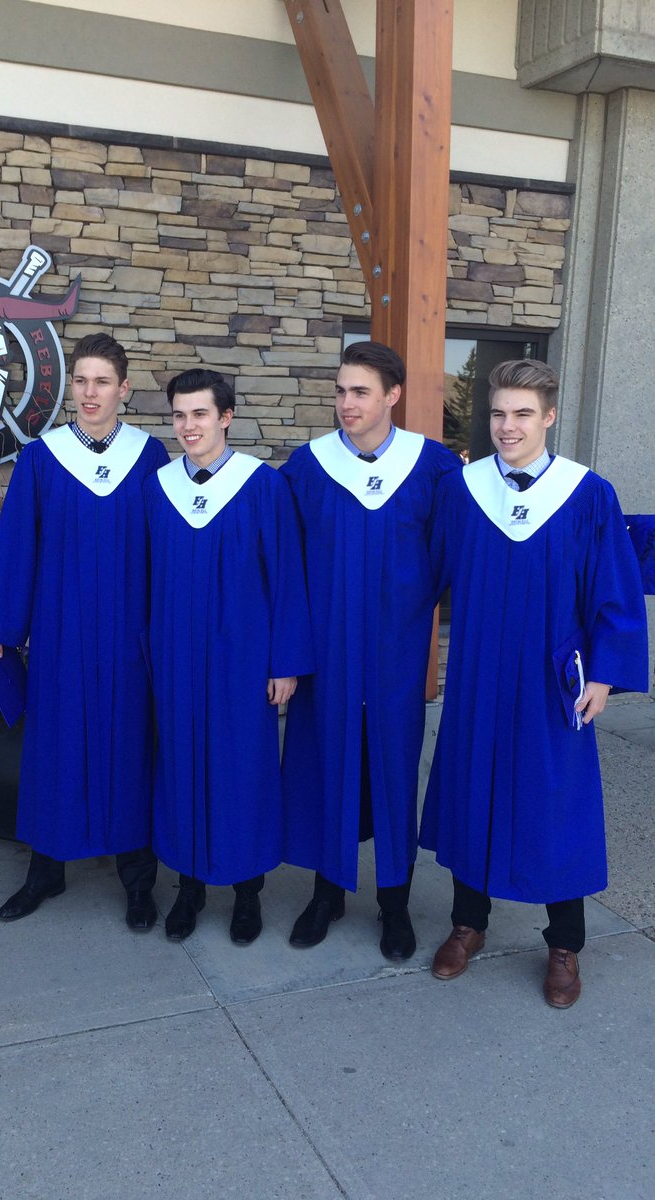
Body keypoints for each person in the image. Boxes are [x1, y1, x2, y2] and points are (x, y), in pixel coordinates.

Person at [420, 359, 648, 1006]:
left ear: (549, 416)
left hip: (553, 679)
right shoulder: (463, 491)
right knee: (473, 790)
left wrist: (605, 674)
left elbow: (614, 591)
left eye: (522, 413)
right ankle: (468, 923)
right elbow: (423, 574)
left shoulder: (587, 494)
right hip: (479, 675)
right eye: (498, 413)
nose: (507, 426)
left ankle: (565, 944)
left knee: (556, 805)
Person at [0, 333, 169, 930]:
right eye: (80, 381)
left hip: (131, 634)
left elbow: (169, 548)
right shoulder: (42, 458)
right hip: (61, 631)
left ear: (123, 389)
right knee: (55, 747)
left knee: (131, 747)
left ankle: (138, 880)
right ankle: (45, 872)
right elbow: (16, 544)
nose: (89, 392)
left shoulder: (150, 456)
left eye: (102, 381)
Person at [280, 341, 460, 959]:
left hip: (395, 651)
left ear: (393, 395)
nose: (346, 403)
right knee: (325, 762)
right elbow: (285, 563)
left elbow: (447, 559)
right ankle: (326, 893)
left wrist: (404, 612)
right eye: (340, 390)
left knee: (393, 767)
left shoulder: (432, 468)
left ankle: (394, 902)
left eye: (360, 391)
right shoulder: (309, 468)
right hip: (326, 650)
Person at [145, 368, 313, 944]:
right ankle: (189, 888)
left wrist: (285, 662)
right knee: (181, 766)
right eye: (179, 415)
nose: (188, 426)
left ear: (226, 417)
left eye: (200, 413)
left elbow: (287, 578)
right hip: (176, 657)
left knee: (243, 770)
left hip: (242, 660)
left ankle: (247, 893)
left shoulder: (262, 486)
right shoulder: (159, 488)